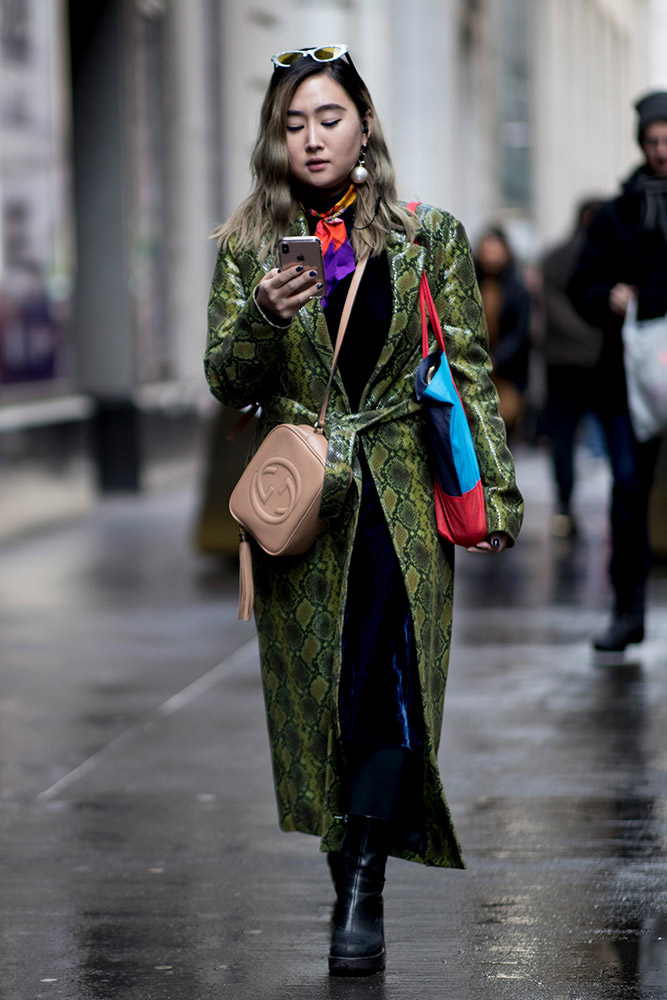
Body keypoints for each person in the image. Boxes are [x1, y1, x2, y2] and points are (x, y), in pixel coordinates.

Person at [204, 44, 523, 976]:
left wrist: (493, 494)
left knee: (387, 683)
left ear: (365, 124)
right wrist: (262, 313)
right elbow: (226, 380)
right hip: (300, 500)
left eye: (328, 118)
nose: (311, 138)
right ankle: (346, 858)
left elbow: (466, 367)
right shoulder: (247, 251)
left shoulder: (428, 237)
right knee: (320, 702)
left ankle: (363, 890)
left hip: (396, 490)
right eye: (293, 123)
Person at [569, 91, 667, 655]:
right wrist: (608, 294)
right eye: (652, 141)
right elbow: (581, 283)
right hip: (629, 379)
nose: (660, 152)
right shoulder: (616, 213)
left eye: (666, 141)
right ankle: (627, 611)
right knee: (628, 488)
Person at [539, 199, 604, 538]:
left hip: (562, 361)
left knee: (562, 438)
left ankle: (565, 505)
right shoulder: (608, 256)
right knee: (615, 435)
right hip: (600, 360)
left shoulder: (553, 257)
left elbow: (548, 312)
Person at [473, 226, 532, 438]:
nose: (491, 255)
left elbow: (520, 334)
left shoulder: (518, 290)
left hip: (507, 373)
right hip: (472, 370)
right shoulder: (469, 287)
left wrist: (496, 359)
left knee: (501, 423)